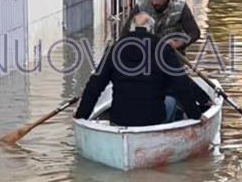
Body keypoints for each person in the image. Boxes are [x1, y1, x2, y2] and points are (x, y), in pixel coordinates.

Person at [74, 12, 204, 127]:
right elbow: (181, 86)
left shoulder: (114, 49)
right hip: (153, 121)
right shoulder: (164, 50)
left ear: (131, 28)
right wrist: (196, 115)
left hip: (119, 120)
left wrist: (81, 116)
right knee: (171, 101)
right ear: (152, 30)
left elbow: (94, 86)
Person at [121, 0, 201, 53]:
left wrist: (179, 43)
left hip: (172, 53)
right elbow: (125, 33)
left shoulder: (180, 6)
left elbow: (194, 32)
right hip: (147, 53)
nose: (154, 2)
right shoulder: (141, 6)